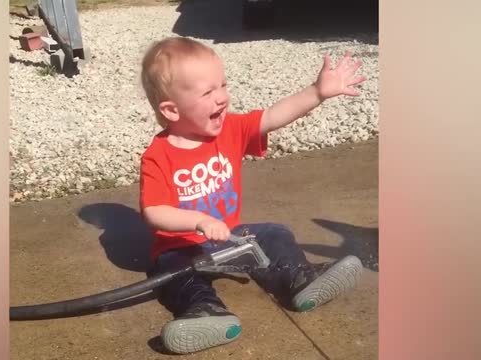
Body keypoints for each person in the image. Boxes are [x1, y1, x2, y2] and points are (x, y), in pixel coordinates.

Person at [138, 37, 366, 354]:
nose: (222, 97)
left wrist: (316, 93)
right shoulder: (157, 156)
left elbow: (272, 116)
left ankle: (298, 279)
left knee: (274, 233)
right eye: (208, 92)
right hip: (183, 249)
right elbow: (154, 211)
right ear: (171, 110)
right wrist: (199, 220)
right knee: (170, 272)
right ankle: (205, 311)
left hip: (230, 238)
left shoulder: (230, 129)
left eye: (223, 85)